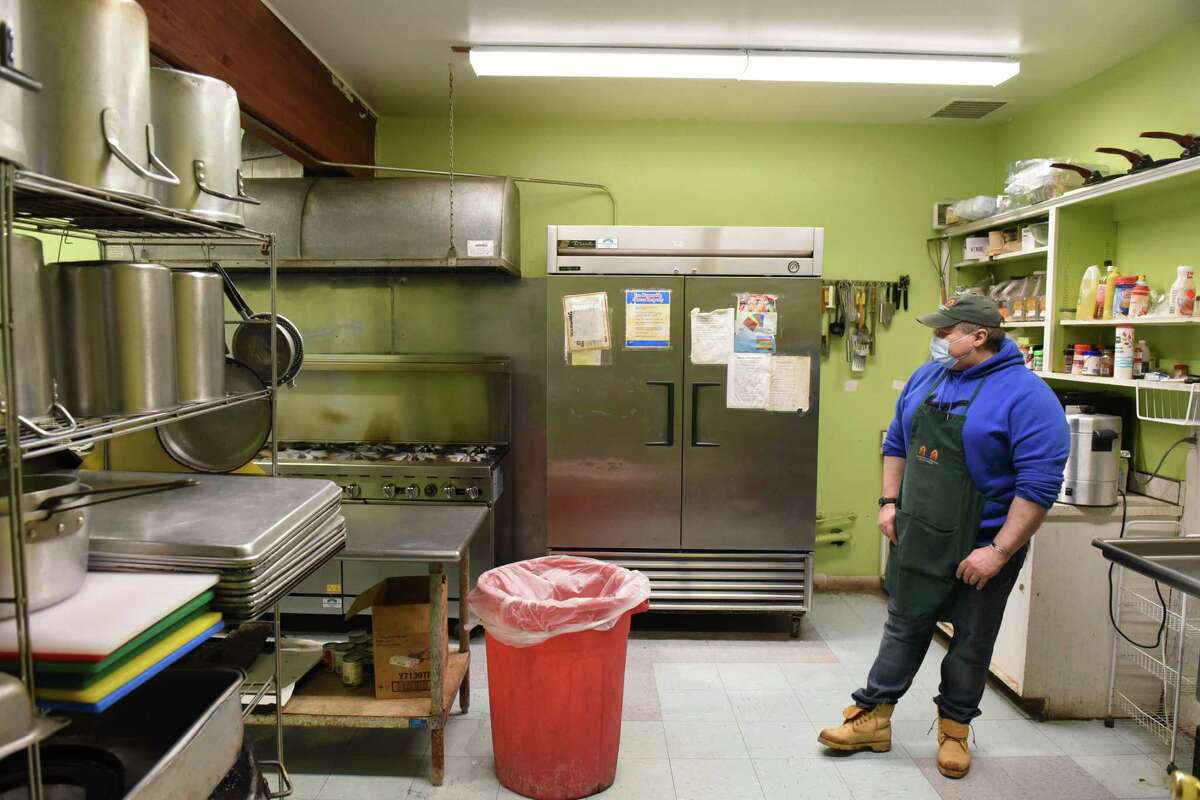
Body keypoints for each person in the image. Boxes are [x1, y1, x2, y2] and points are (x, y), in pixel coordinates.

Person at [817, 294, 1069, 779]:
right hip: (921, 532)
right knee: (903, 626)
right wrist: (890, 503)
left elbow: (1037, 487)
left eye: (944, 331)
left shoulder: (1028, 397)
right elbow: (897, 441)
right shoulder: (926, 377)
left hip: (983, 541)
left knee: (971, 641)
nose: (936, 340)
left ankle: (955, 731)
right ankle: (872, 718)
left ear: (978, 336)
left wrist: (998, 552)